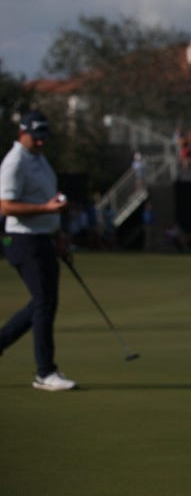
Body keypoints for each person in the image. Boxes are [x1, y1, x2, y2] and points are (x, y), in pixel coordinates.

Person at [0, 111, 77, 391]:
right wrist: (46, 209)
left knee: (43, 302)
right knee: (44, 302)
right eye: (37, 137)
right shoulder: (14, 162)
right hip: (22, 239)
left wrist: (58, 236)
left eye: (45, 137)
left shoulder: (39, 158)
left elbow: (46, 200)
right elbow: (6, 207)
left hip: (43, 238)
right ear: (23, 132)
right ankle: (45, 372)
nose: (42, 142)